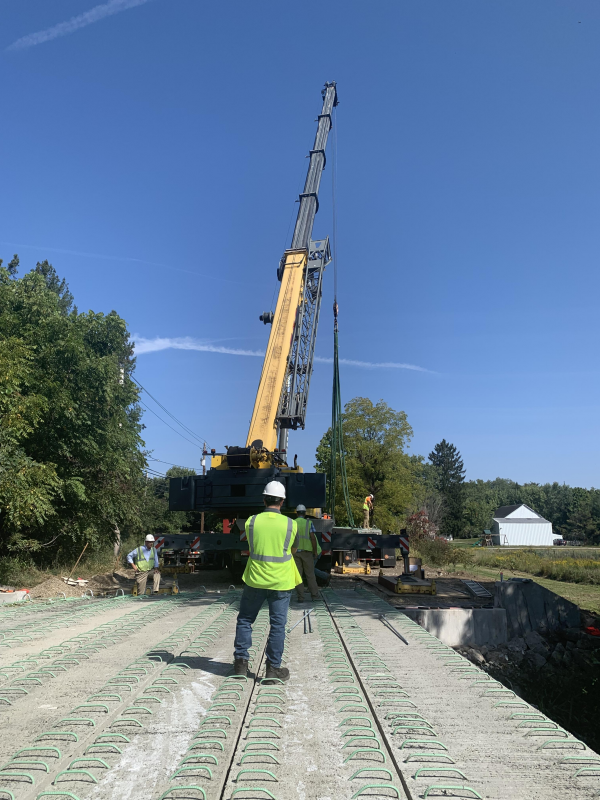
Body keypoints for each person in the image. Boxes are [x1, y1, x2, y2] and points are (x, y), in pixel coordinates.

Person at [232, 481, 301, 682]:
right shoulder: (291, 524)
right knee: (278, 625)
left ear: (264, 499)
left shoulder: (251, 522)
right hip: (281, 581)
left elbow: (251, 546)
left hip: (255, 579)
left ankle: (240, 665)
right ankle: (272, 670)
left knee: (245, 619)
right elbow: (293, 550)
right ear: (282, 501)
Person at [293, 504, 320, 603]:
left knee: (298, 576)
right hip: (307, 553)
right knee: (310, 575)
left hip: (295, 552)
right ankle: (315, 596)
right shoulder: (309, 523)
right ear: (304, 513)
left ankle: (301, 597)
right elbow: (312, 538)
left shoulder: (293, 523)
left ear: (296, 513)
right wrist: (315, 551)